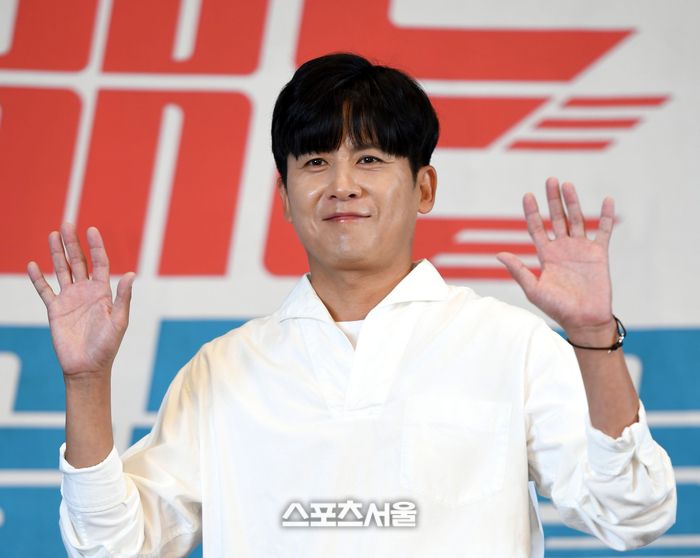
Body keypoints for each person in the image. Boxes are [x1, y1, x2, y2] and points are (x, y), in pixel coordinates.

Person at [28, 53, 675, 557]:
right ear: (284, 196)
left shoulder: (510, 345)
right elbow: (113, 547)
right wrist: (85, 383)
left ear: (424, 188)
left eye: (369, 158)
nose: (342, 185)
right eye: (315, 162)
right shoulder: (222, 370)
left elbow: (634, 513)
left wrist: (594, 336)